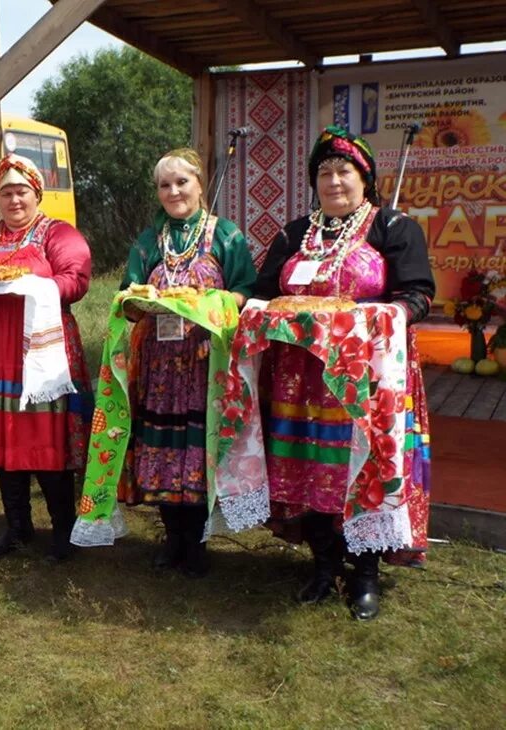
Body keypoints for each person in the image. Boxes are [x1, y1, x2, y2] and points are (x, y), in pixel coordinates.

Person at [252, 126, 435, 620]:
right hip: (301, 378)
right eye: (324, 173)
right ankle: (323, 566)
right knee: (309, 468)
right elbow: (262, 290)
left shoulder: (393, 228)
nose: (333, 181)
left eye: (344, 171)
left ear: (365, 178)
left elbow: (417, 294)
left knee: (362, 469)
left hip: (366, 380)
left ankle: (366, 576)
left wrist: (381, 316)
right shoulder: (294, 234)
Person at [0, 154, 93, 562]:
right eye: (6, 192)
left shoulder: (57, 234)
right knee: (2, 437)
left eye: (21, 190)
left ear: (37, 193)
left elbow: (76, 280)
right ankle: (18, 525)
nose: (14, 200)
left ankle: (64, 528)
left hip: (38, 350)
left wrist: (30, 285)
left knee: (44, 436)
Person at [119, 149, 256, 577]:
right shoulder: (149, 240)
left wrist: (207, 303)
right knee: (162, 449)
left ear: (199, 184)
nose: (174, 191)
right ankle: (171, 537)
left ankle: (195, 542)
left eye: (182, 182)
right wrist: (140, 302)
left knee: (196, 450)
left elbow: (245, 292)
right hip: (159, 365)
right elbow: (128, 295)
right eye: (165, 185)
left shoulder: (225, 236)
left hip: (204, 364)